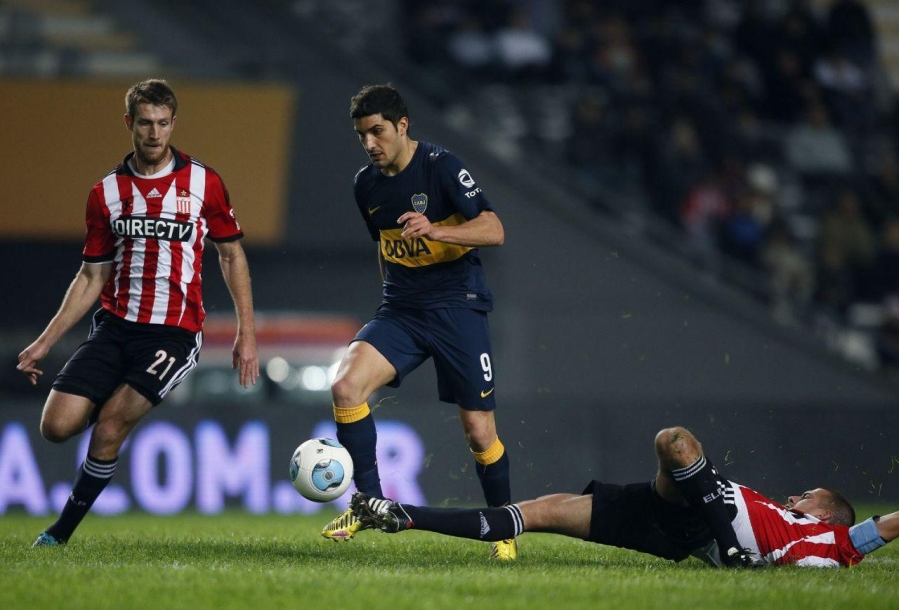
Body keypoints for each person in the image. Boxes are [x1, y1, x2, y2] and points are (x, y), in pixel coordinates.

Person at [17, 79, 259, 547]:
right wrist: (45, 341)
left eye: (163, 123)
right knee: (55, 427)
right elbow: (91, 276)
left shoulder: (203, 183)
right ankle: (102, 412)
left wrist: (246, 332)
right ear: (130, 123)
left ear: (174, 123)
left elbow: (232, 256)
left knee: (110, 426)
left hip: (173, 333)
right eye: (145, 123)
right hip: (114, 328)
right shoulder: (105, 193)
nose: (154, 133)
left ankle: (59, 534)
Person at [321, 84, 515, 560]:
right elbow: (385, 247)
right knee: (346, 387)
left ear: (402, 125)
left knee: (479, 432)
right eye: (362, 134)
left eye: (377, 131)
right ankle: (368, 505)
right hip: (402, 311)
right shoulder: (365, 184)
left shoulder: (442, 166)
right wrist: (391, 296)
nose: (370, 143)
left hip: (457, 307)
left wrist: (438, 229)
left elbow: (494, 229)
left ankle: (505, 530)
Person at [350, 425, 898, 568]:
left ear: (823, 512)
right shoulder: (785, 517)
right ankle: (404, 516)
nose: (795, 496)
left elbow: (890, 525)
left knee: (676, 443)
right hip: (669, 518)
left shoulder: (839, 541)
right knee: (536, 513)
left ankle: (728, 546)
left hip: (698, 527)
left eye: (807, 495)